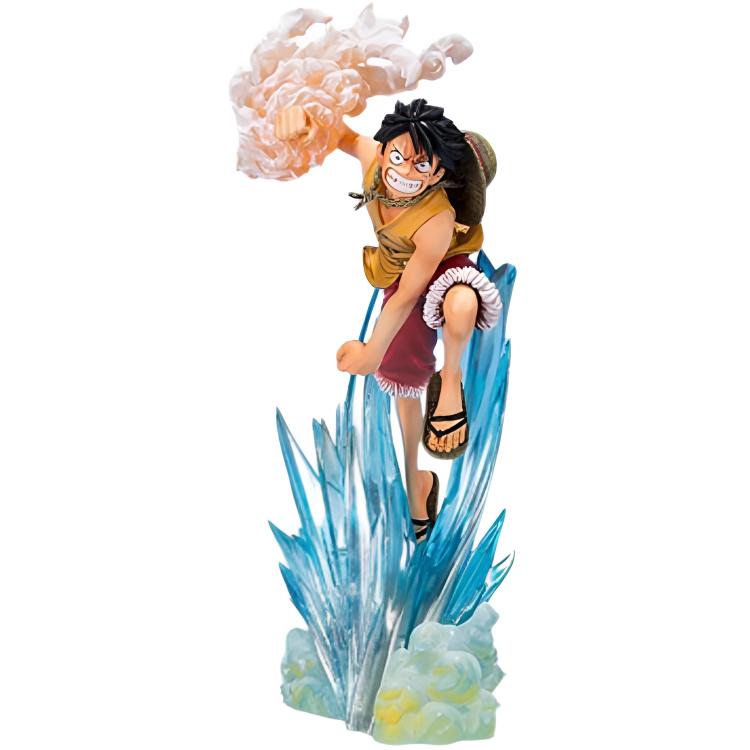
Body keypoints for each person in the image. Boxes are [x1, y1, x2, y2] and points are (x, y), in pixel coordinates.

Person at [275, 98, 500, 541]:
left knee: (459, 305)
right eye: (398, 156)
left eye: (421, 165)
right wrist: (302, 119)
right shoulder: (375, 167)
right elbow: (341, 134)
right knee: (400, 378)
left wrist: (370, 351)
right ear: (384, 152)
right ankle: (417, 483)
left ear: (438, 174)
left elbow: (412, 294)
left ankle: (450, 385)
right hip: (400, 272)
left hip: (440, 265)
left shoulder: (437, 220)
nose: (404, 170)